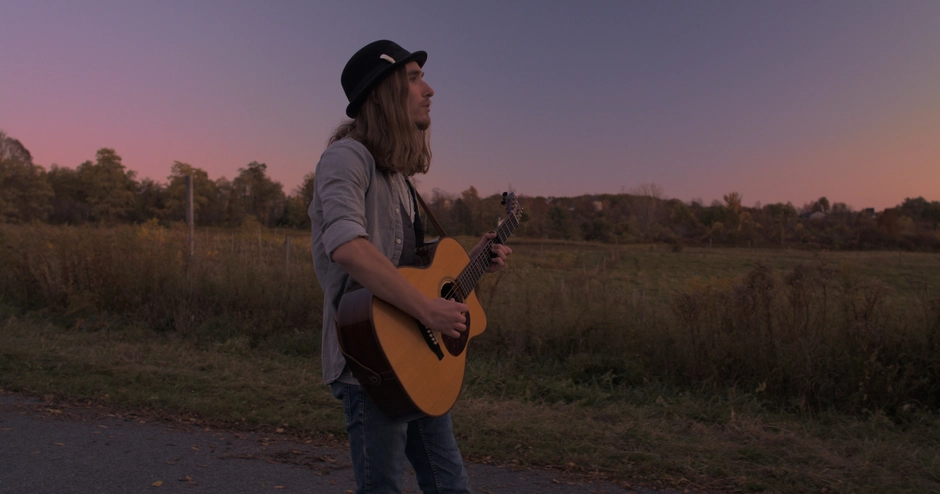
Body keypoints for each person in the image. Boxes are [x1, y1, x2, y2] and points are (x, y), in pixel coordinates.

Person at [308, 40, 512, 494]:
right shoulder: (346, 159)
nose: (429, 89)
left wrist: (477, 259)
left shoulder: (398, 177)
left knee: (450, 485)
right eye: (415, 78)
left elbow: (409, 264)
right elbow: (347, 246)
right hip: (372, 362)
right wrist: (427, 310)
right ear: (382, 92)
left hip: (418, 357)